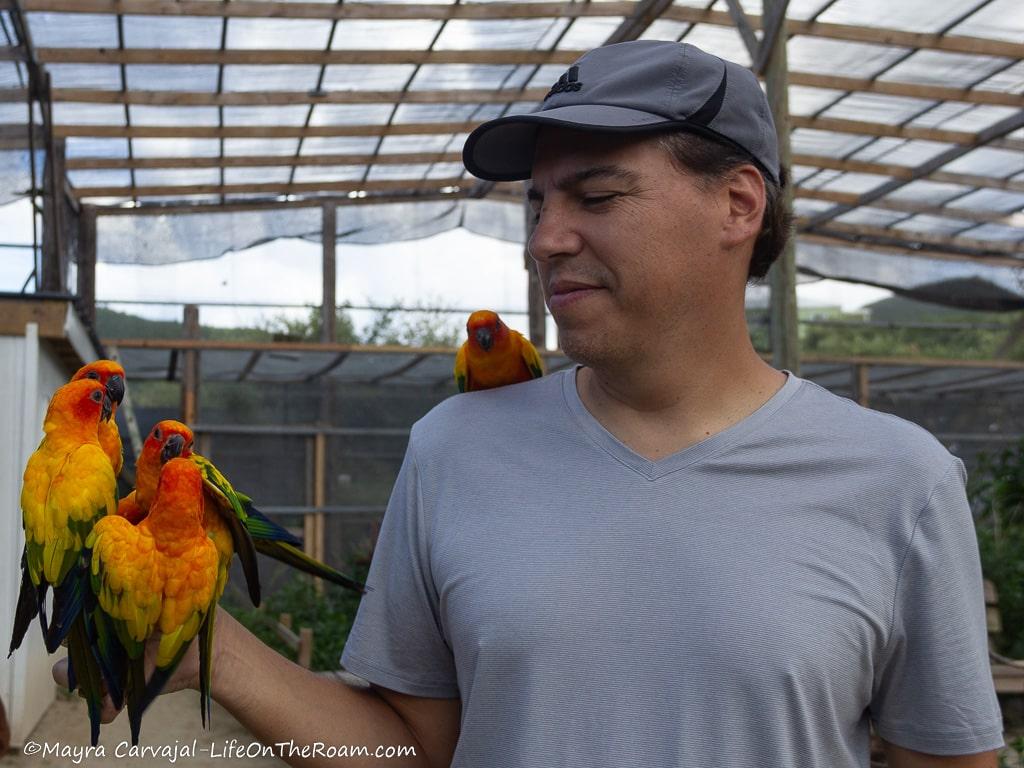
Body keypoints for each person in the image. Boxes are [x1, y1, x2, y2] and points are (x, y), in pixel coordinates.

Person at [57, 40, 1002, 767]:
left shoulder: (897, 479)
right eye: (536, 206)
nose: (546, 240)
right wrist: (204, 643)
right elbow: (413, 749)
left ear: (740, 204)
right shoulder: (455, 448)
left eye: (596, 195)